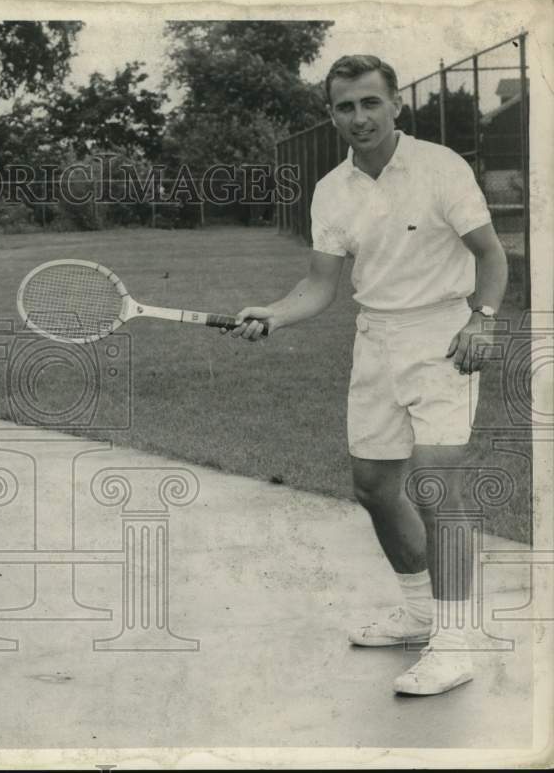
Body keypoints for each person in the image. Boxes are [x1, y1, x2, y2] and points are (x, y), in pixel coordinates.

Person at [224, 55, 507, 695]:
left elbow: (490, 256)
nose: (359, 117)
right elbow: (321, 285)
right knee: (375, 487)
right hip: (375, 337)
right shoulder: (332, 189)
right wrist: (274, 313)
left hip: (443, 337)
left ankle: (455, 644)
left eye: (370, 103)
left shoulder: (441, 167)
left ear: (395, 104)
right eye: (345, 107)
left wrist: (482, 319)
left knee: (436, 487)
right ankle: (418, 611)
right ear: (332, 114)